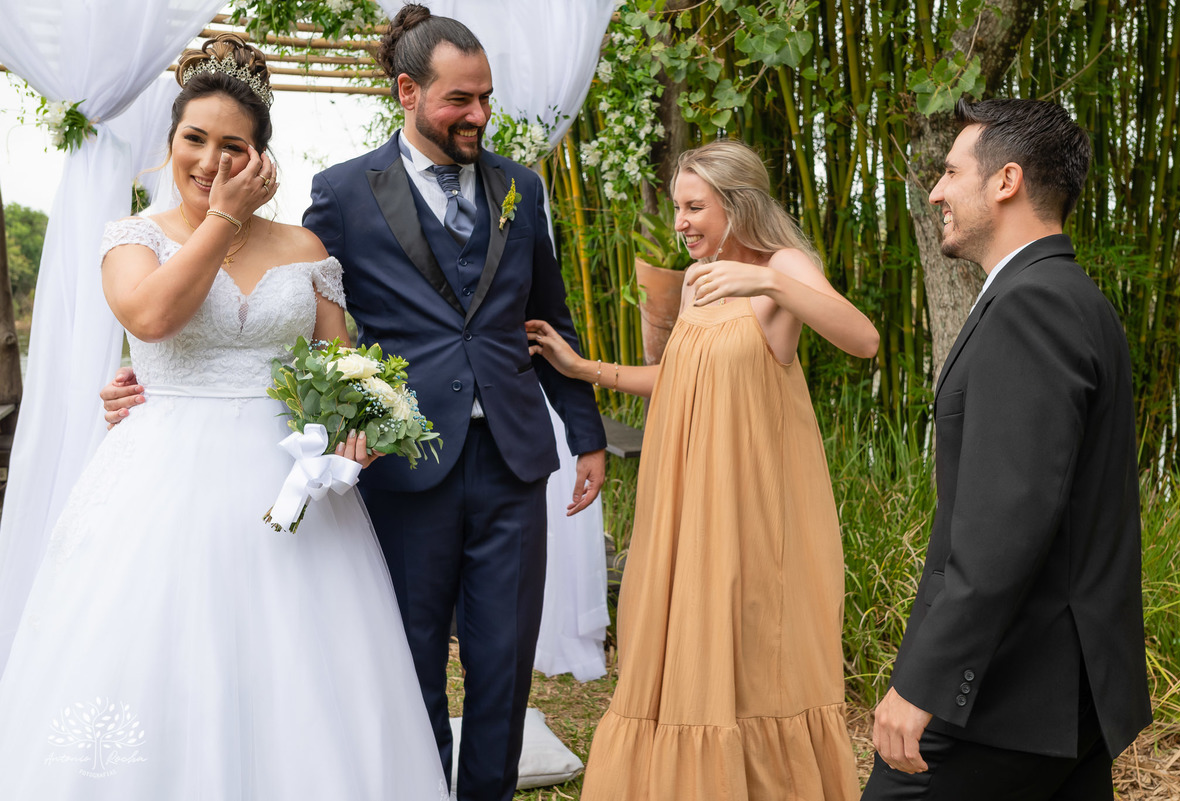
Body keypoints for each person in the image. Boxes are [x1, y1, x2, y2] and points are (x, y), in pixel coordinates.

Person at [106, 8, 606, 801]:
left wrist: (585, 432)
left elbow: (548, 315)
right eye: (460, 100)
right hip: (404, 466)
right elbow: (295, 330)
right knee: (400, 660)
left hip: (513, 456)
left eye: (486, 99)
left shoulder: (522, 185)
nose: (478, 115)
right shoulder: (340, 193)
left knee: (504, 661)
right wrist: (154, 385)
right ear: (408, 92)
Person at [0, 35, 449, 799]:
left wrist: (361, 428)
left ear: (261, 157)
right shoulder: (132, 238)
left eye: (232, 146)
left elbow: (340, 368)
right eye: (194, 140)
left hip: (288, 489)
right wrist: (222, 220)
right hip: (158, 486)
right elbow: (151, 318)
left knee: (298, 674)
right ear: (170, 142)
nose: (210, 161)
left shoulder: (307, 248)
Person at [527, 139, 879, 801]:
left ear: (738, 204)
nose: (681, 221)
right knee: (680, 647)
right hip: (685, 500)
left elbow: (863, 339)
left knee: (752, 656)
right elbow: (678, 377)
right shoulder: (696, 279)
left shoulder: (784, 267)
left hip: (754, 503)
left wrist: (770, 280)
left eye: (695, 207)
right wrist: (581, 368)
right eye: (677, 207)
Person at [862, 99, 1152, 800]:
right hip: (1063, 693)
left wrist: (925, 681)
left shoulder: (1032, 305)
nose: (935, 191)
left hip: (1008, 696)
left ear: (1006, 180)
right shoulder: (1076, 296)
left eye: (951, 171)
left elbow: (1005, 523)